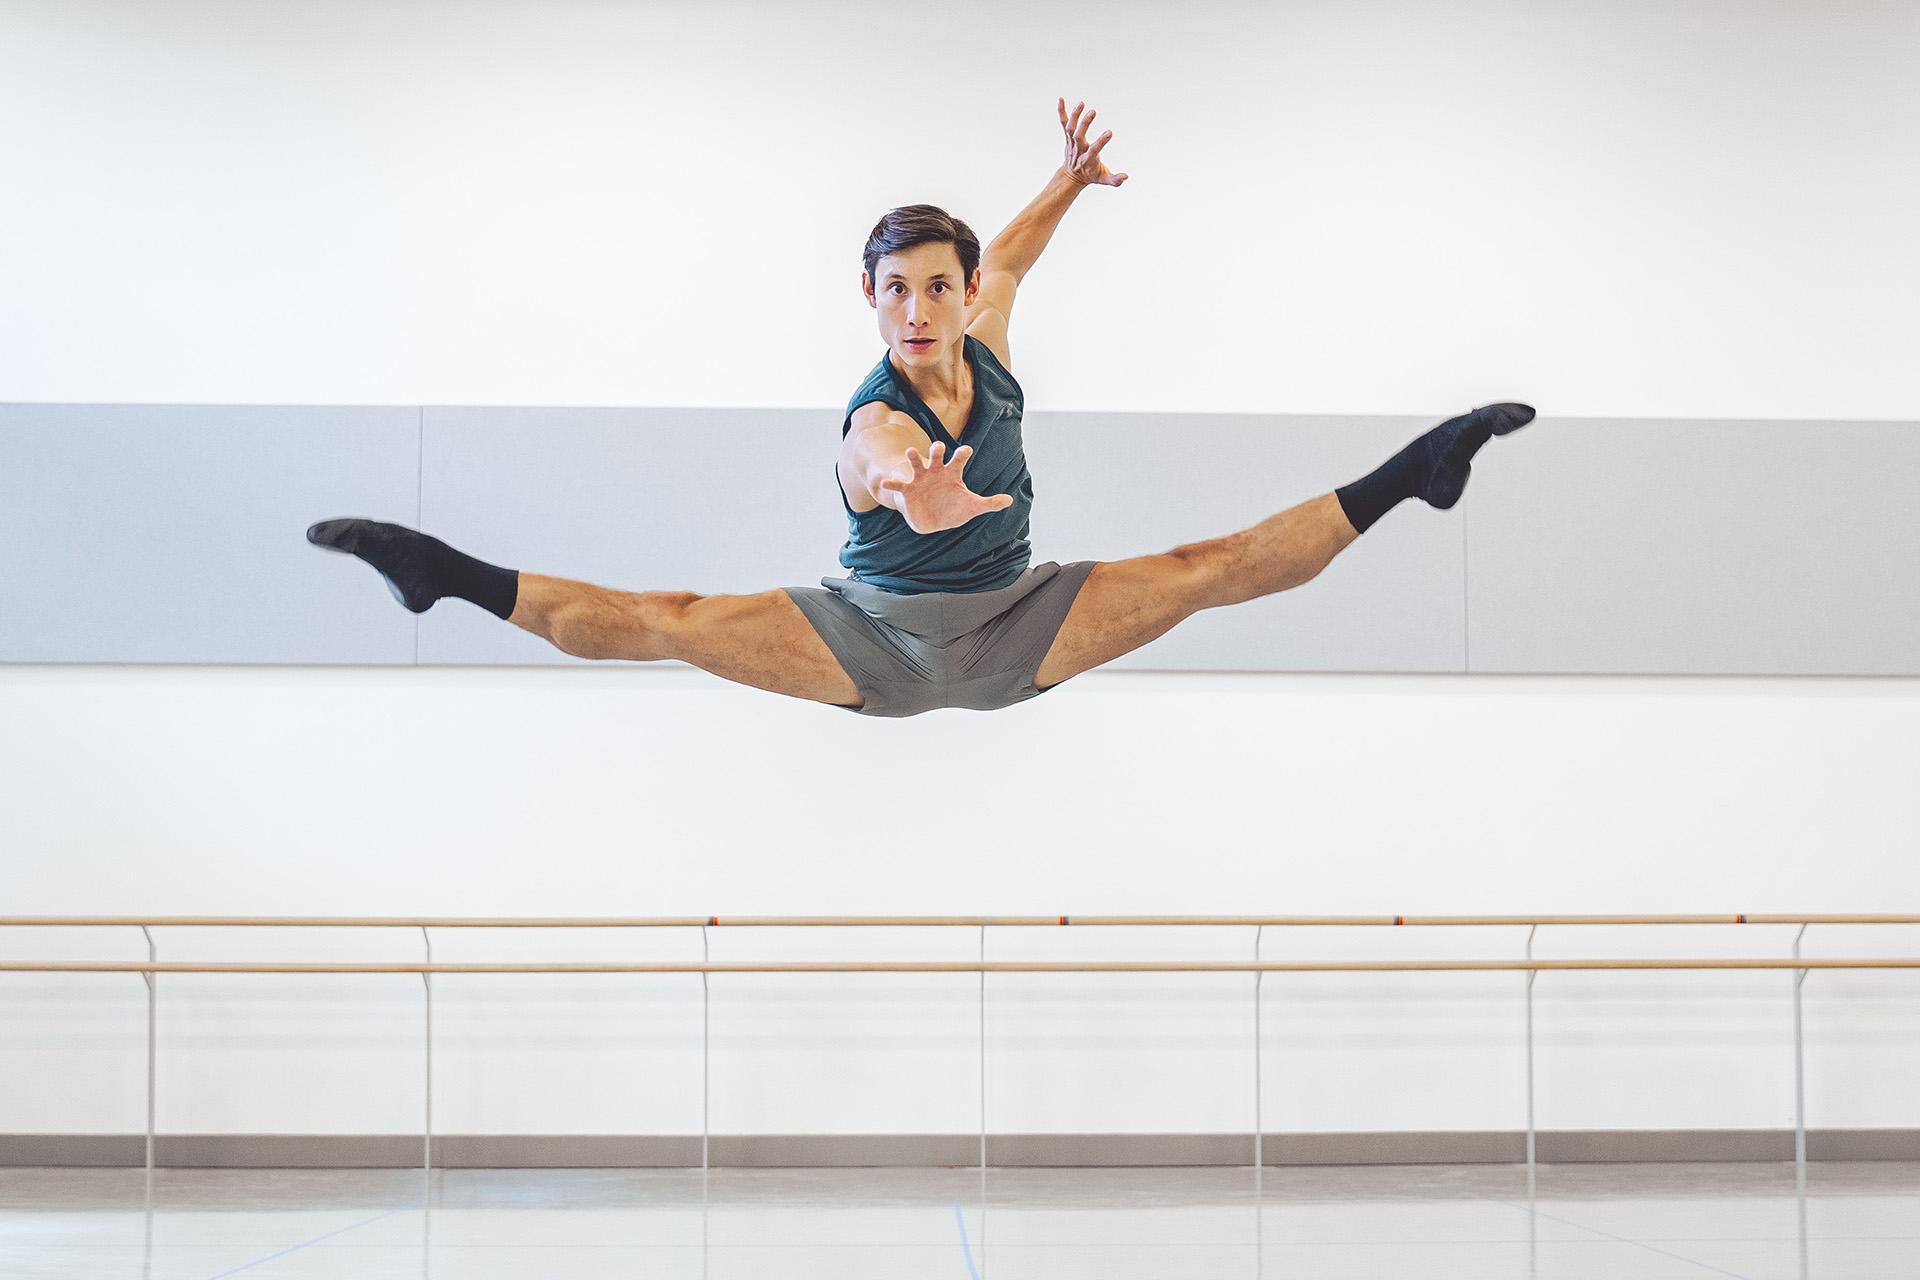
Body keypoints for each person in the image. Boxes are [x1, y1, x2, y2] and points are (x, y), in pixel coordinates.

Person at [309, 97, 1531, 717]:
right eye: (895, 290)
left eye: (938, 287)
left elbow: (1014, 255)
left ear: (961, 292)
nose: (918, 310)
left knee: (1207, 568)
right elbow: (885, 462)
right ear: (871, 297)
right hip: (874, 638)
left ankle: (1415, 471)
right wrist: (917, 493)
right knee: (665, 619)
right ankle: (445, 574)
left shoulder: (985, 334)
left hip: (1019, 625)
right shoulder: (874, 418)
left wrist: (1067, 181)